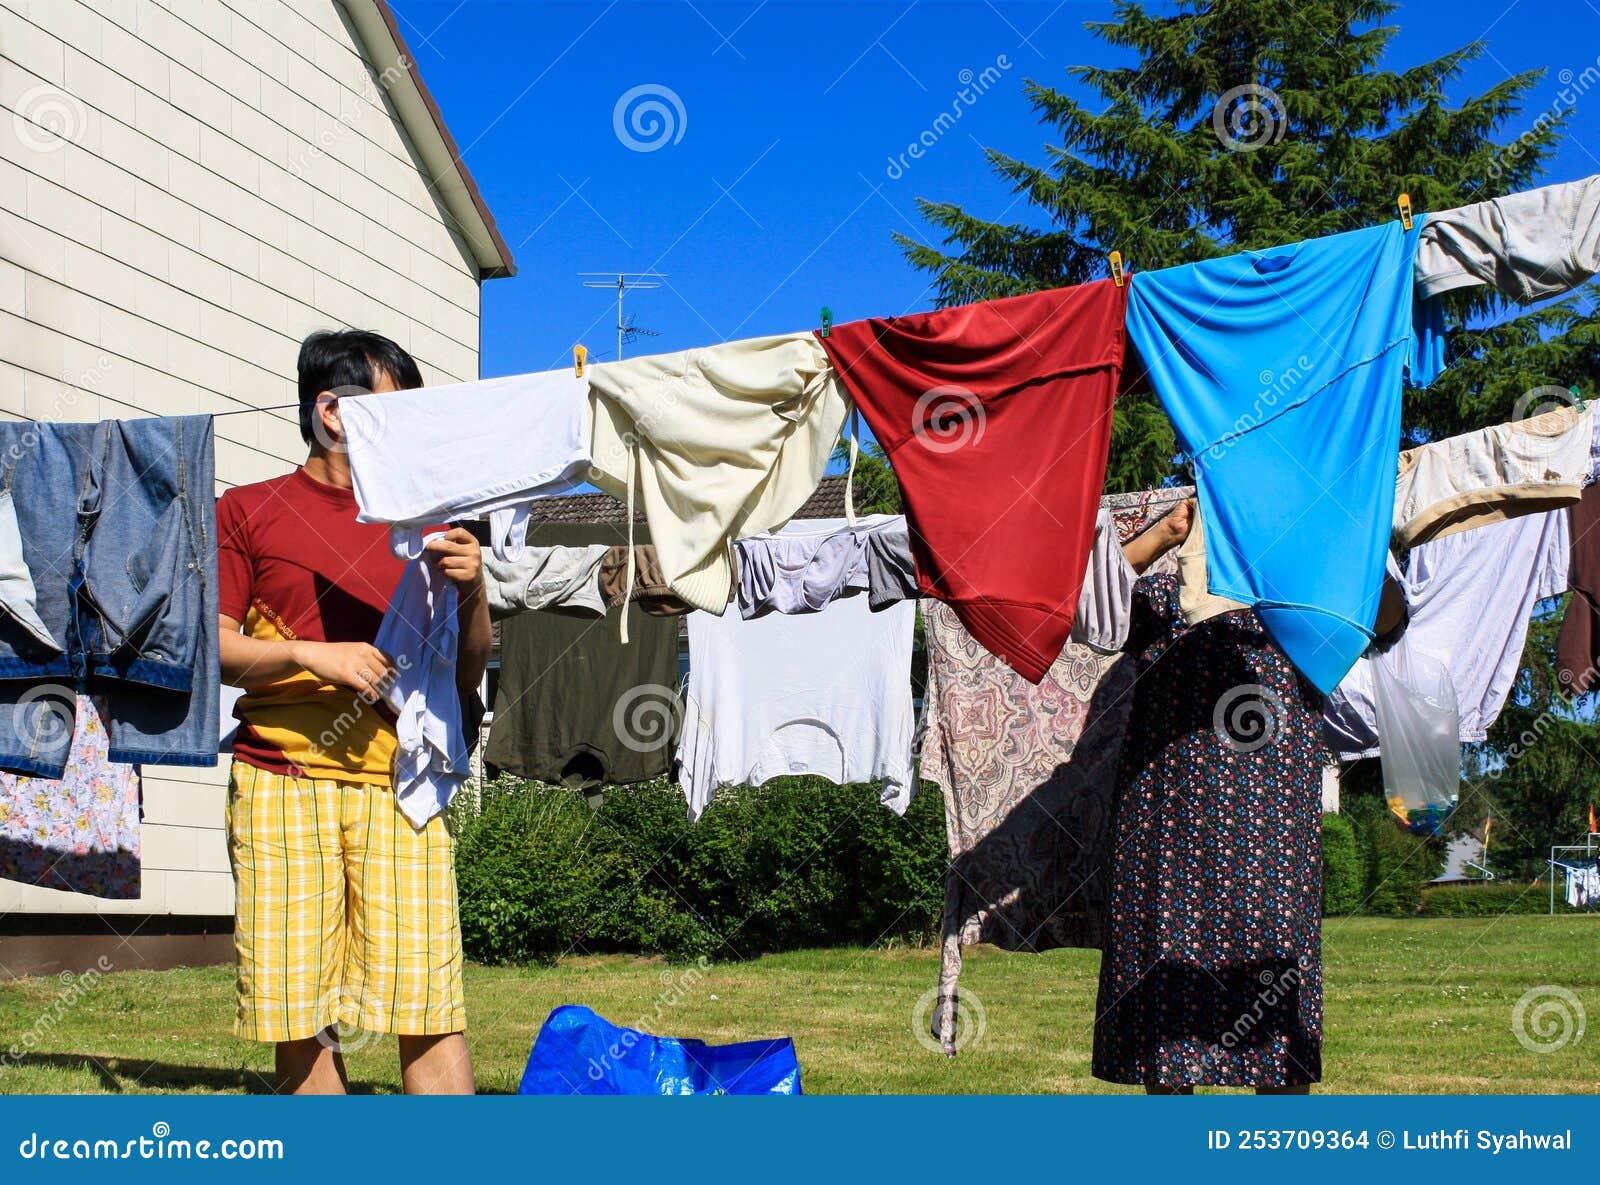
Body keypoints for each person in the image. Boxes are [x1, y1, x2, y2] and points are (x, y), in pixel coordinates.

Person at [216, 330, 491, 1095]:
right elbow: (214, 646)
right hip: (279, 780)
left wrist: (473, 589)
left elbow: (466, 670)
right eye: (395, 414)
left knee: (428, 1004)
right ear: (332, 411)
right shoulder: (246, 510)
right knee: (300, 1012)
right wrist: (313, 653)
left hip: (402, 787)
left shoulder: (429, 520)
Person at [1092, 499, 1356, 1095]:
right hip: (1170, 829)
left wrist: (1354, 546)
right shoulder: (1163, 601)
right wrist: (1162, 534)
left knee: (1274, 990)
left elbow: (1390, 619)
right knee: (1168, 1004)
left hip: (1273, 833)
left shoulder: (1302, 599)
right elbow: (1093, 607)